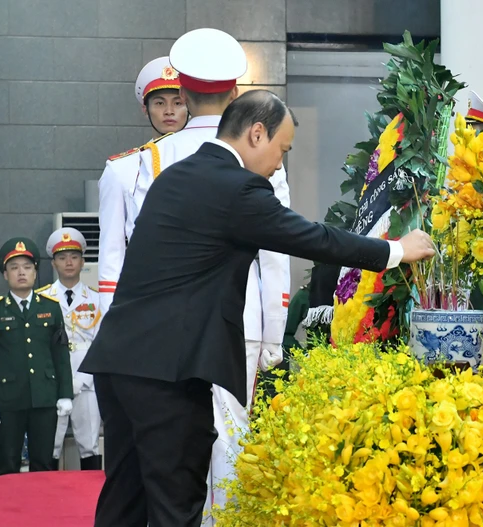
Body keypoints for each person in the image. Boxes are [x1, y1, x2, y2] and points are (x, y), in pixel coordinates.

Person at [79, 89, 435, 526]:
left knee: (124, 499)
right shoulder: (237, 187)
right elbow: (310, 237)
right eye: (281, 151)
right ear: (256, 133)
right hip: (168, 371)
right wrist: (395, 249)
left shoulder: (175, 174)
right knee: (178, 504)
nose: (279, 164)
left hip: (119, 361)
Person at [129, 28, 292, 521]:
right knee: (232, 446)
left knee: (170, 457)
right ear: (237, 93)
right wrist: (272, 338)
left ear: (181, 93)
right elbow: (275, 255)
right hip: (235, 325)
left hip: (157, 338)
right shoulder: (258, 156)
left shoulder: (145, 162)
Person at [97, 56, 187, 313]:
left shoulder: (213, 158)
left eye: (178, 102)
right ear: (145, 109)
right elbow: (112, 253)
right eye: (159, 103)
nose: (169, 111)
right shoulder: (123, 169)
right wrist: (109, 320)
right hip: (147, 296)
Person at [0, 238, 73, 474]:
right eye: (14, 268)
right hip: (8, 400)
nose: (21, 273)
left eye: (27, 267)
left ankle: (42, 511)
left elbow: (60, 354)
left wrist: (65, 394)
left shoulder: (51, 308)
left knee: (43, 464)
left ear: (35, 272)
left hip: (44, 397)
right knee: (8, 465)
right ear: (5, 274)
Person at [39, 228, 103, 471]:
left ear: (83, 261)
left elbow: (101, 344)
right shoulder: (42, 299)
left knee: (90, 445)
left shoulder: (97, 299)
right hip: (53, 383)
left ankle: (93, 503)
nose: (68, 262)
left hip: (87, 382)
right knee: (50, 446)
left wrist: (83, 379)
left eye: (74, 256)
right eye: (63, 257)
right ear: (54, 262)